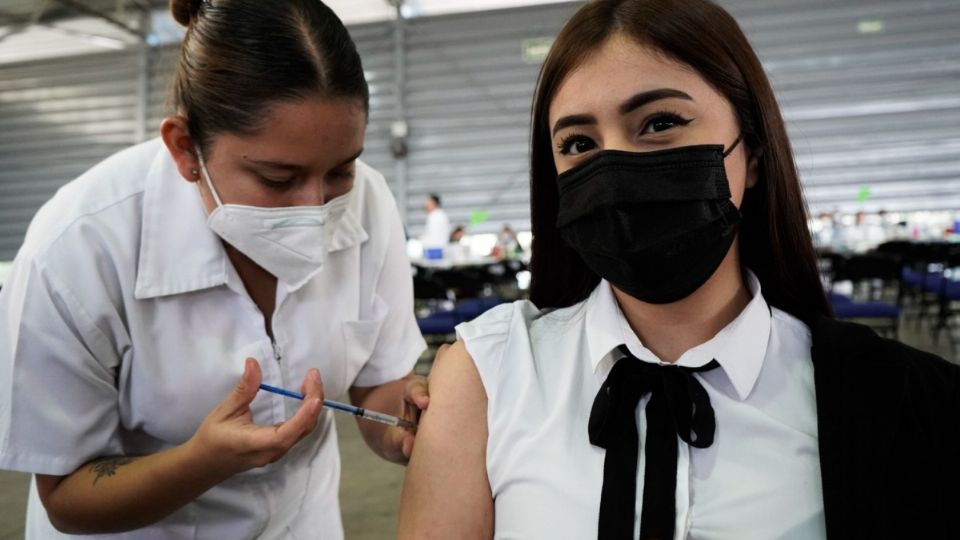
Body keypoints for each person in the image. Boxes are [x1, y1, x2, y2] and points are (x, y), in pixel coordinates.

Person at [398, 1, 960, 539]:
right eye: (578, 143)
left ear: (755, 153)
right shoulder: (491, 375)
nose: (615, 168)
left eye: (661, 122)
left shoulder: (902, 399)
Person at [0, 1, 428, 538]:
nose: (315, 208)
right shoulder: (79, 247)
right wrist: (203, 461)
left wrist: (403, 427)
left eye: (340, 171)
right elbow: (65, 496)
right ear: (185, 149)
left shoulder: (368, 202)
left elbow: (377, 384)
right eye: (277, 178)